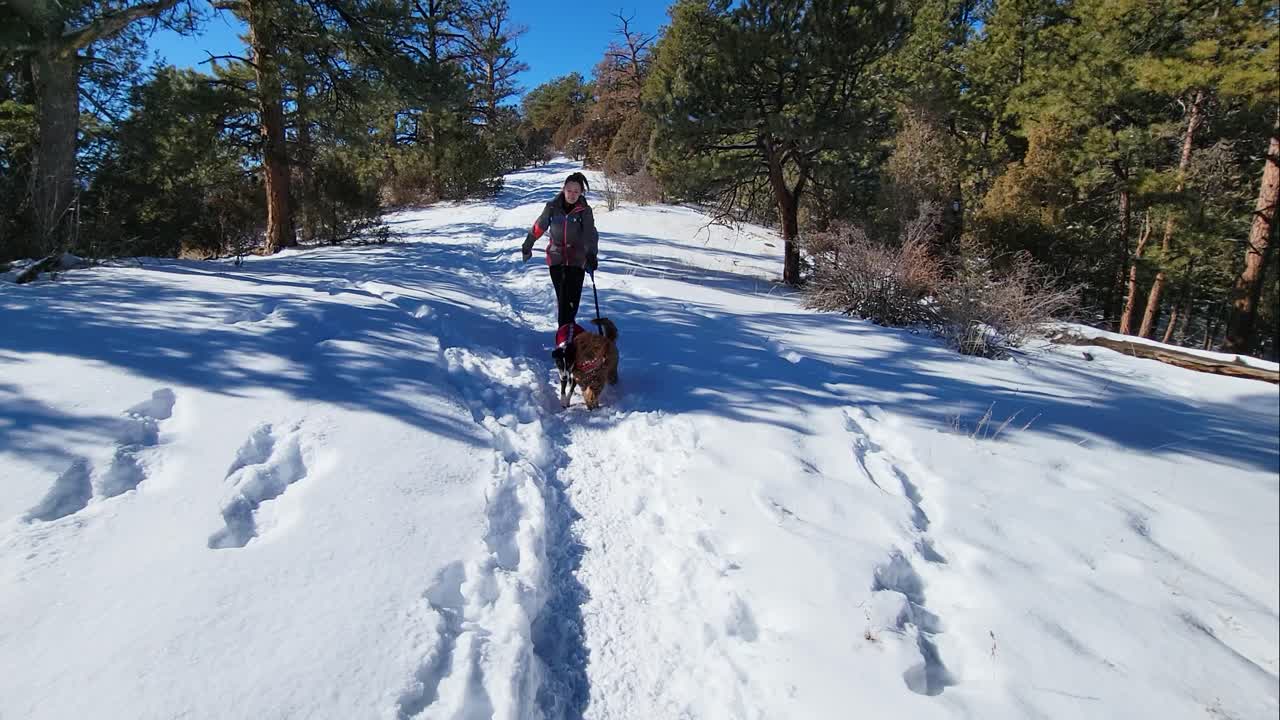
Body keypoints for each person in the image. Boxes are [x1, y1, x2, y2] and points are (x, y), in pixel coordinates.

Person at [521, 172, 599, 366]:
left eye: (576, 191)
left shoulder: (584, 211)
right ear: (563, 189)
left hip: (577, 260)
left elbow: (590, 235)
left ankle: (568, 341)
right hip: (557, 259)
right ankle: (565, 347)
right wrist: (528, 244)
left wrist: (591, 255)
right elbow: (539, 227)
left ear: (581, 193)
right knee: (565, 301)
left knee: (572, 303)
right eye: (569, 190)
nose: (572, 194)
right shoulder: (552, 207)